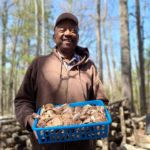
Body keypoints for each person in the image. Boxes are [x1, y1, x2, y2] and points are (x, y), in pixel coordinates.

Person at [14, 12, 108, 150]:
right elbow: (22, 100)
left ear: (78, 36)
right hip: (45, 145)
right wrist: (28, 118)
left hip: (82, 146)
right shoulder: (39, 64)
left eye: (73, 30)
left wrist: (100, 117)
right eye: (62, 30)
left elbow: (101, 103)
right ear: (54, 37)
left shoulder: (89, 67)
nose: (68, 33)